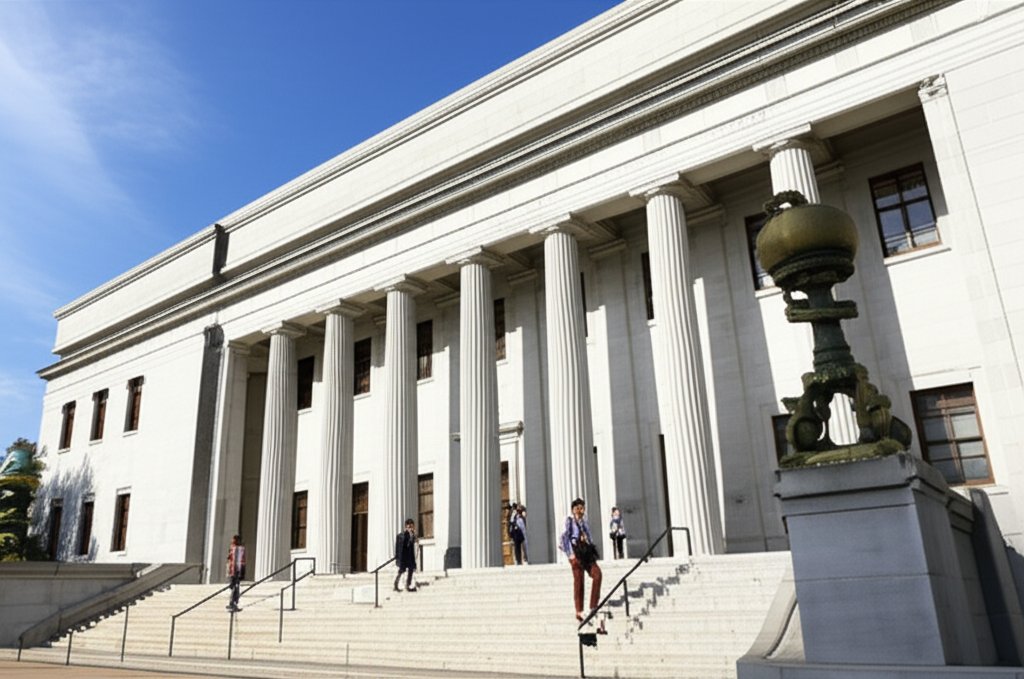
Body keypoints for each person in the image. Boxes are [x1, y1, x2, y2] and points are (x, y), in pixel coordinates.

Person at [559, 497, 603, 625]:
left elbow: (590, 538)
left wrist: (589, 544)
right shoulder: (569, 521)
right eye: (578, 508)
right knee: (579, 582)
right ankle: (579, 611)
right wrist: (570, 555)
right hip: (576, 554)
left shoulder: (585, 523)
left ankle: (593, 606)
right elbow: (564, 537)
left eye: (582, 508)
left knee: (597, 574)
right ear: (573, 510)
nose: (580, 511)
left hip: (586, 554)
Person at [394, 518, 418, 592]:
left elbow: (414, 543)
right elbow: (399, 546)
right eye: (409, 527)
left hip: (410, 556)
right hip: (403, 557)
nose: (410, 528)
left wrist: (413, 535)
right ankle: (396, 585)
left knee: (411, 570)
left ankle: (408, 585)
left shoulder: (412, 535)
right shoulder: (401, 536)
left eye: (412, 527)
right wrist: (397, 557)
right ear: (406, 527)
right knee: (401, 571)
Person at [225, 534, 245, 612]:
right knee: (235, 588)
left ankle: (233, 603)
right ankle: (232, 603)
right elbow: (240, 561)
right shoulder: (238, 549)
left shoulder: (232, 548)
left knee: (235, 587)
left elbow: (230, 560)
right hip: (235, 571)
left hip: (233, 571)